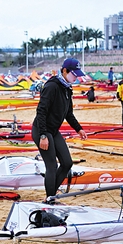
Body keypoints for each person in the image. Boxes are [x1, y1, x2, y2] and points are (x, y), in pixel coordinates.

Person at [31, 58, 87, 204]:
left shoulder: (67, 88)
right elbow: (41, 111)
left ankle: (51, 194)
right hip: (41, 130)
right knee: (51, 165)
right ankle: (50, 198)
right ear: (64, 71)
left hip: (54, 130)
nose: (75, 78)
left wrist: (79, 129)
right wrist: (43, 135)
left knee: (67, 162)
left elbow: (68, 113)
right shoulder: (52, 86)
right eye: (73, 74)